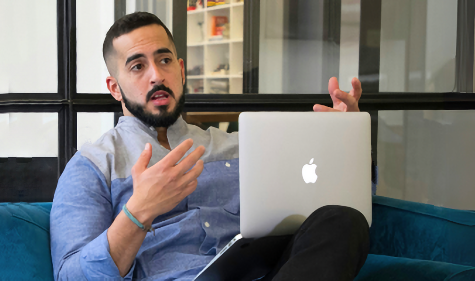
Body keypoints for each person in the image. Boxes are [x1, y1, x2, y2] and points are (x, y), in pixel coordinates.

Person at [50, 12, 369, 281]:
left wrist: (341, 141)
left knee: (342, 220)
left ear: (181, 70)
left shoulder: (243, 146)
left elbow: (318, 196)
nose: (157, 76)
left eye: (164, 60)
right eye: (137, 67)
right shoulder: (90, 167)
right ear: (114, 88)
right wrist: (138, 212)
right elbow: (71, 275)